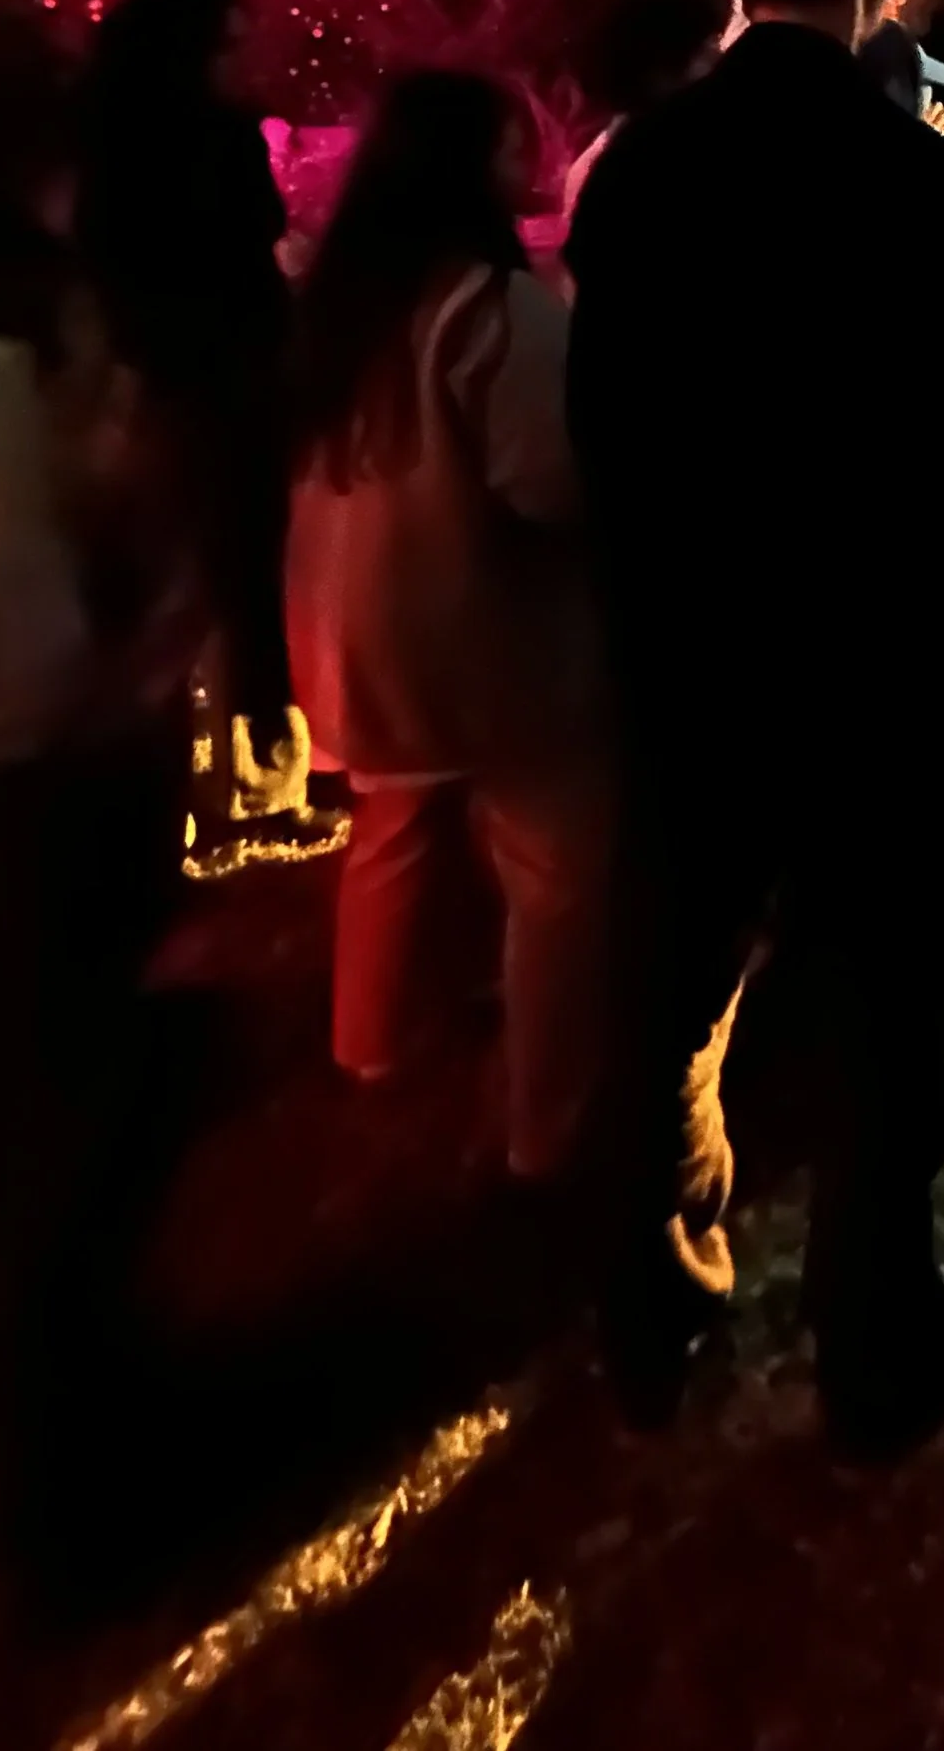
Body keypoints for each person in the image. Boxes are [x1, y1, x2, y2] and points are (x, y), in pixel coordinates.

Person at [567, 0, 944, 1453]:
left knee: (670, 987)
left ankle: (649, 1304)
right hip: (882, 667)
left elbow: (601, 433)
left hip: (694, 653)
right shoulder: (916, 180)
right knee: (887, 1012)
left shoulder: (639, 174)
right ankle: (874, 1335)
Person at [287, 72, 610, 1185]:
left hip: (350, 634)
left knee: (395, 828)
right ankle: (546, 1122)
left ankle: (367, 1045)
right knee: (558, 875)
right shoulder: (495, 309)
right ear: (479, 165)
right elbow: (553, 482)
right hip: (482, 638)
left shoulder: (342, 300)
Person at [0, 0, 186, 1577]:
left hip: (26, 766)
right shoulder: (3, 341)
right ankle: (58, 1497)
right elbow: (32, 620)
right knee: (43, 1135)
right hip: (13, 788)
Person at [74, 0, 299, 826]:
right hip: (219, 384)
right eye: (234, 45)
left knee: (174, 591)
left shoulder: (94, 142)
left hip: (149, 380)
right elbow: (252, 240)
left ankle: (185, 792)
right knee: (238, 584)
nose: (248, 61)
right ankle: (253, 788)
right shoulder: (215, 142)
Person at [560, 0, 728, 238]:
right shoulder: (600, 176)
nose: (720, 60)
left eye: (716, 45)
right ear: (659, 75)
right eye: (705, 53)